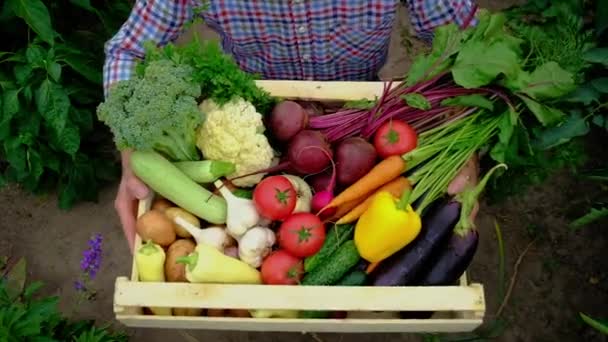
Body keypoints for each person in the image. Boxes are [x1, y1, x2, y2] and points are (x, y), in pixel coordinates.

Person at [103, 0, 480, 252]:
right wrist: (131, 150)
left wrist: (462, 151)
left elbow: (468, 40)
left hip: (361, 112)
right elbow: (128, 51)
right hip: (255, 120)